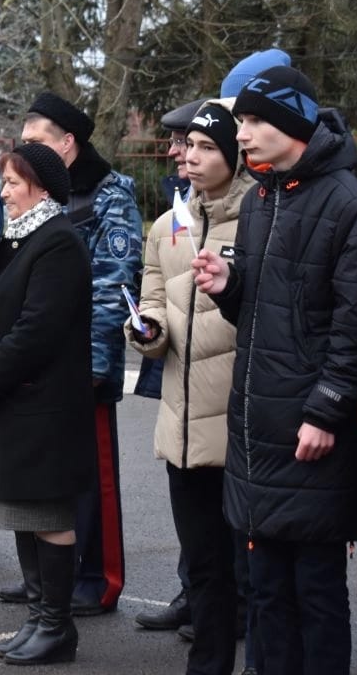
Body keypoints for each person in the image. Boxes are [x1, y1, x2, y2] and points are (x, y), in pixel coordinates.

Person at [193, 66, 357, 675]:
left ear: (292, 124)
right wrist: (229, 284)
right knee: (267, 589)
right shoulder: (262, 197)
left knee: (315, 590)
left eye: (251, 121)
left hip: (308, 431)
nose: (239, 134)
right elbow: (263, 305)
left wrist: (326, 411)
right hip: (256, 428)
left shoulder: (350, 204)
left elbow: (356, 324)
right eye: (240, 122)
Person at [0, 142, 93, 665]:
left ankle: (57, 627)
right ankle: (38, 618)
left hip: (42, 408)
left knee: (48, 514)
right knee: (26, 515)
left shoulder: (58, 242)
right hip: (12, 402)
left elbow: (37, 330)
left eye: (11, 182)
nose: (3, 192)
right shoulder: (17, 238)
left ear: (40, 186)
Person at [7, 91, 141, 616]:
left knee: (91, 476)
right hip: (35, 361)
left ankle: (96, 577)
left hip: (84, 362)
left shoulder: (110, 194)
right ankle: (46, 578)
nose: (27, 149)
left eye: (37, 140)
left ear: (68, 143)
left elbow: (115, 285)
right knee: (38, 474)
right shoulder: (35, 196)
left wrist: (95, 364)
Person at [126, 101, 248, 674]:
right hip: (182, 425)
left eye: (205, 148)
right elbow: (151, 302)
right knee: (203, 566)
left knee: (255, 568)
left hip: (243, 422)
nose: (189, 158)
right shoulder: (167, 225)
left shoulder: (264, 219)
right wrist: (144, 330)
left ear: (235, 153)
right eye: (187, 147)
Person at [131, 95, 206, 629]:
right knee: (189, 501)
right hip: (178, 369)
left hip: (218, 379)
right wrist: (148, 326)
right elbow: (157, 287)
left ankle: (219, 603)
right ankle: (192, 593)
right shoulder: (172, 212)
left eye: (188, 144)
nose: (178, 154)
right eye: (180, 144)